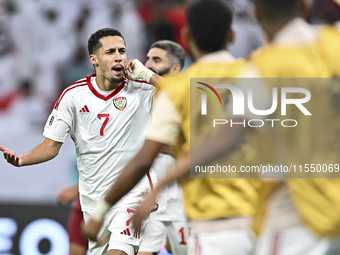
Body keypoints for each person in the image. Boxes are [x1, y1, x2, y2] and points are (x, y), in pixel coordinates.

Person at [137, 1, 340, 255]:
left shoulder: (264, 68)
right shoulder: (334, 44)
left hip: (299, 217)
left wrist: (163, 182)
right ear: (303, 7)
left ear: (255, 14)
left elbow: (227, 136)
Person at [82, 1, 267, 254]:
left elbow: (142, 161)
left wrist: (99, 213)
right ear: (232, 35)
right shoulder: (257, 75)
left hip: (214, 226)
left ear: (186, 36)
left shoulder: (177, 91)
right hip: (264, 225)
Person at [0, 27, 164, 255]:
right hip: (93, 202)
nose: (119, 56)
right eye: (110, 52)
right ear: (94, 59)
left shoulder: (141, 89)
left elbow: (186, 98)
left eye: (122, 51)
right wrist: (22, 159)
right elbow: (50, 145)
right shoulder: (73, 96)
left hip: (133, 195)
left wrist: (149, 76)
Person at [139, 40, 188, 255]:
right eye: (147, 58)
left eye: (156, 60)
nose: (148, 64)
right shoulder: (138, 96)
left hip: (183, 203)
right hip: (149, 202)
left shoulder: (189, 93)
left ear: (176, 68)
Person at [57, 185, 88, 255]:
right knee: (75, 251)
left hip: (109, 206)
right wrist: (77, 189)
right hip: (83, 203)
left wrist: (75, 190)